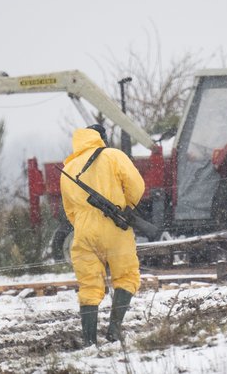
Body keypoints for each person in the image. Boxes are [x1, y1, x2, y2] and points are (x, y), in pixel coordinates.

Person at [60, 124, 145, 346]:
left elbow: (69, 210)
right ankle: (114, 331)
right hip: (114, 227)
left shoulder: (68, 168)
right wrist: (127, 207)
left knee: (89, 285)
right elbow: (137, 186)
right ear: (101, 138)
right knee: (126, 276)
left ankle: (89, 341)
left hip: (83, 232)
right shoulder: (113, 155)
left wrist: (84, 223)